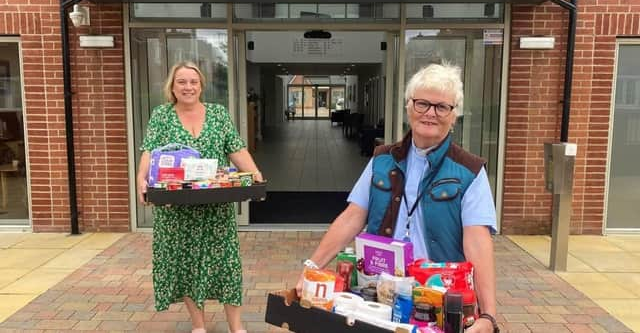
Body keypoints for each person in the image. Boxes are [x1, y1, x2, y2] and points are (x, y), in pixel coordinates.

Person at [297, 63, 499, 333]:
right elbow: (351, 218)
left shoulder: (470, 172)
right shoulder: (382, 159)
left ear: (454, 116)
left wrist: (488, 316)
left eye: (442, 107)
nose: (430, 113)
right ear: (408, 107)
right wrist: (311, 267)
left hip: (436, 300)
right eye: (422, 104)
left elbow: (477, 243)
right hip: (380, 295)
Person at [137, 61, 263, 333]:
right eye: (181, 82)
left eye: (193, 82)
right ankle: (198, 325)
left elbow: (236, 149)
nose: (188, 87)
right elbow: (148, 151)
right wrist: (141, 181)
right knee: (186, 265)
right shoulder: (161, 115)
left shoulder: (218, 114)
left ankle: (236, 327)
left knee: (227, 264)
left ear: (201, 86)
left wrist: (255, 175)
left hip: (215, 208)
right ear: (172, 86)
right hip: (176, 209)